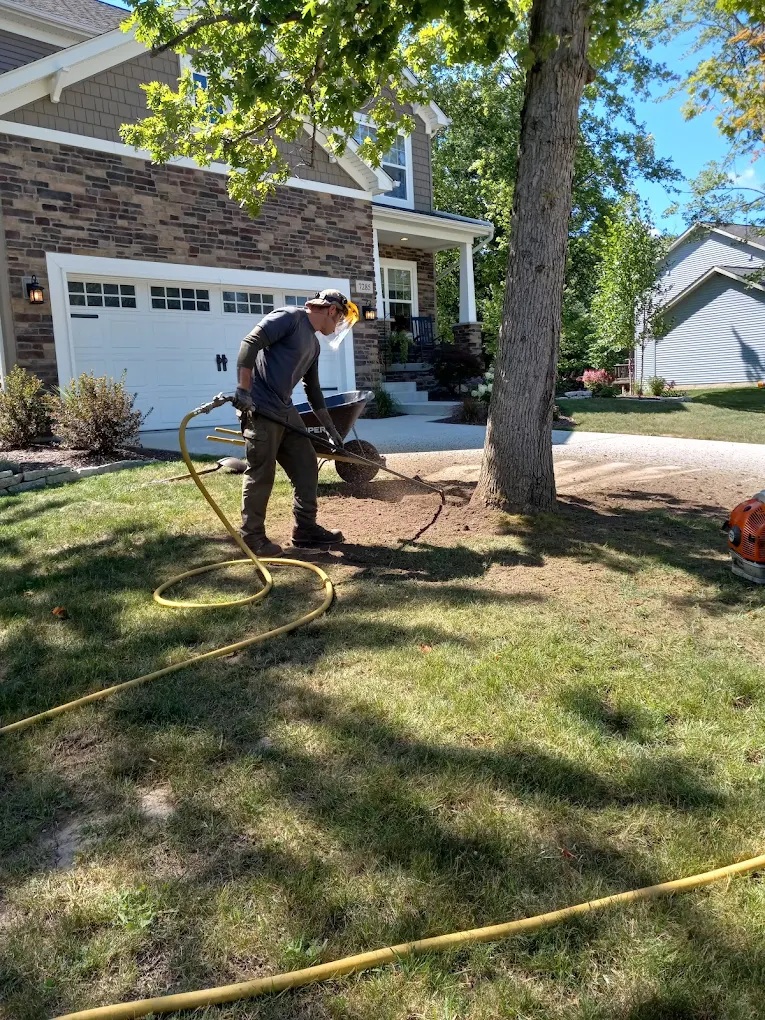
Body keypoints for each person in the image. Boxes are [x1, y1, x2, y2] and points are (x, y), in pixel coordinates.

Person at [233, 289, 359, 556]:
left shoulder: (313, 345)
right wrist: (243, 390)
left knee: (306, 466)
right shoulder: (289, 317)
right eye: (339, 320)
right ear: (332, 310)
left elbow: (313, 390)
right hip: (260, 407)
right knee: (261, 474)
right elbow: (250, 342)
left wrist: (332, 429)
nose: (337, 326)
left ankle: (305, 529)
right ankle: (252, 537)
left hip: (285, 410)